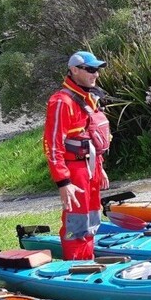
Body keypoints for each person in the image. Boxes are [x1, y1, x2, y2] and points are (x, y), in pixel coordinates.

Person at [43, 51, 111, 261]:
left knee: (92, 219)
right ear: (74, 70)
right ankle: (74, 268)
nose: (95, 75)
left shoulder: (89, 98)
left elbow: (90, 136)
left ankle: (88, 261)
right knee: (76, 223)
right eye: (90, 70)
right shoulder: (62, 101)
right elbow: (52, 145)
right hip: (75, 172)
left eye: (96, 70)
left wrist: (100, 167)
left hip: (91, 168)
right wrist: (64, 182)